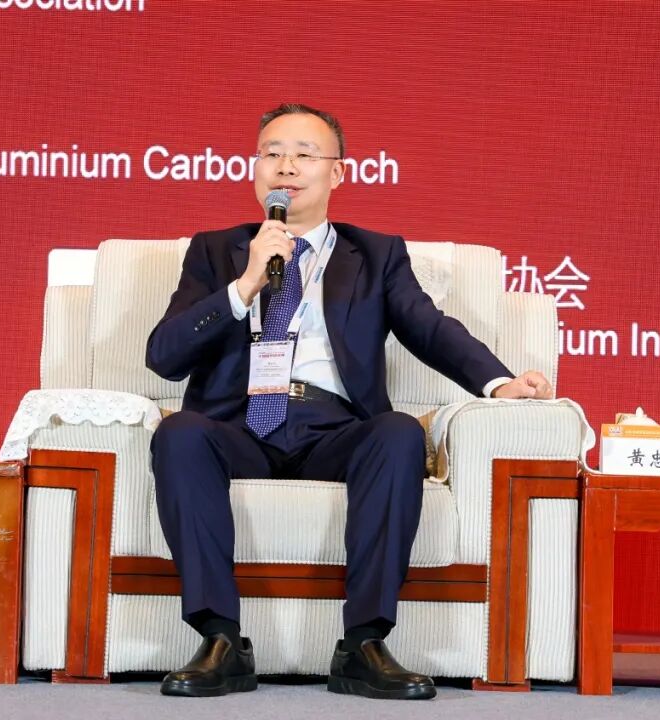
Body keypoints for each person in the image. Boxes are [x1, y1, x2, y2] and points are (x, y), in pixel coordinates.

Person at [146, 103, 554, 700]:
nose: (286, 166)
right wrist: (243, 285)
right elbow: (164, 355)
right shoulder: (215, 251)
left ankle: (364, 643)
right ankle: (220, 640)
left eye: (304, 154)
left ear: (337, 172)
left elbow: (429, 328)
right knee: (180, 432)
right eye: (272, 153)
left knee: (398, 433)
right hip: (236, 426)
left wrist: (499, 383)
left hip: (332, 430)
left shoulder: (377, 254)